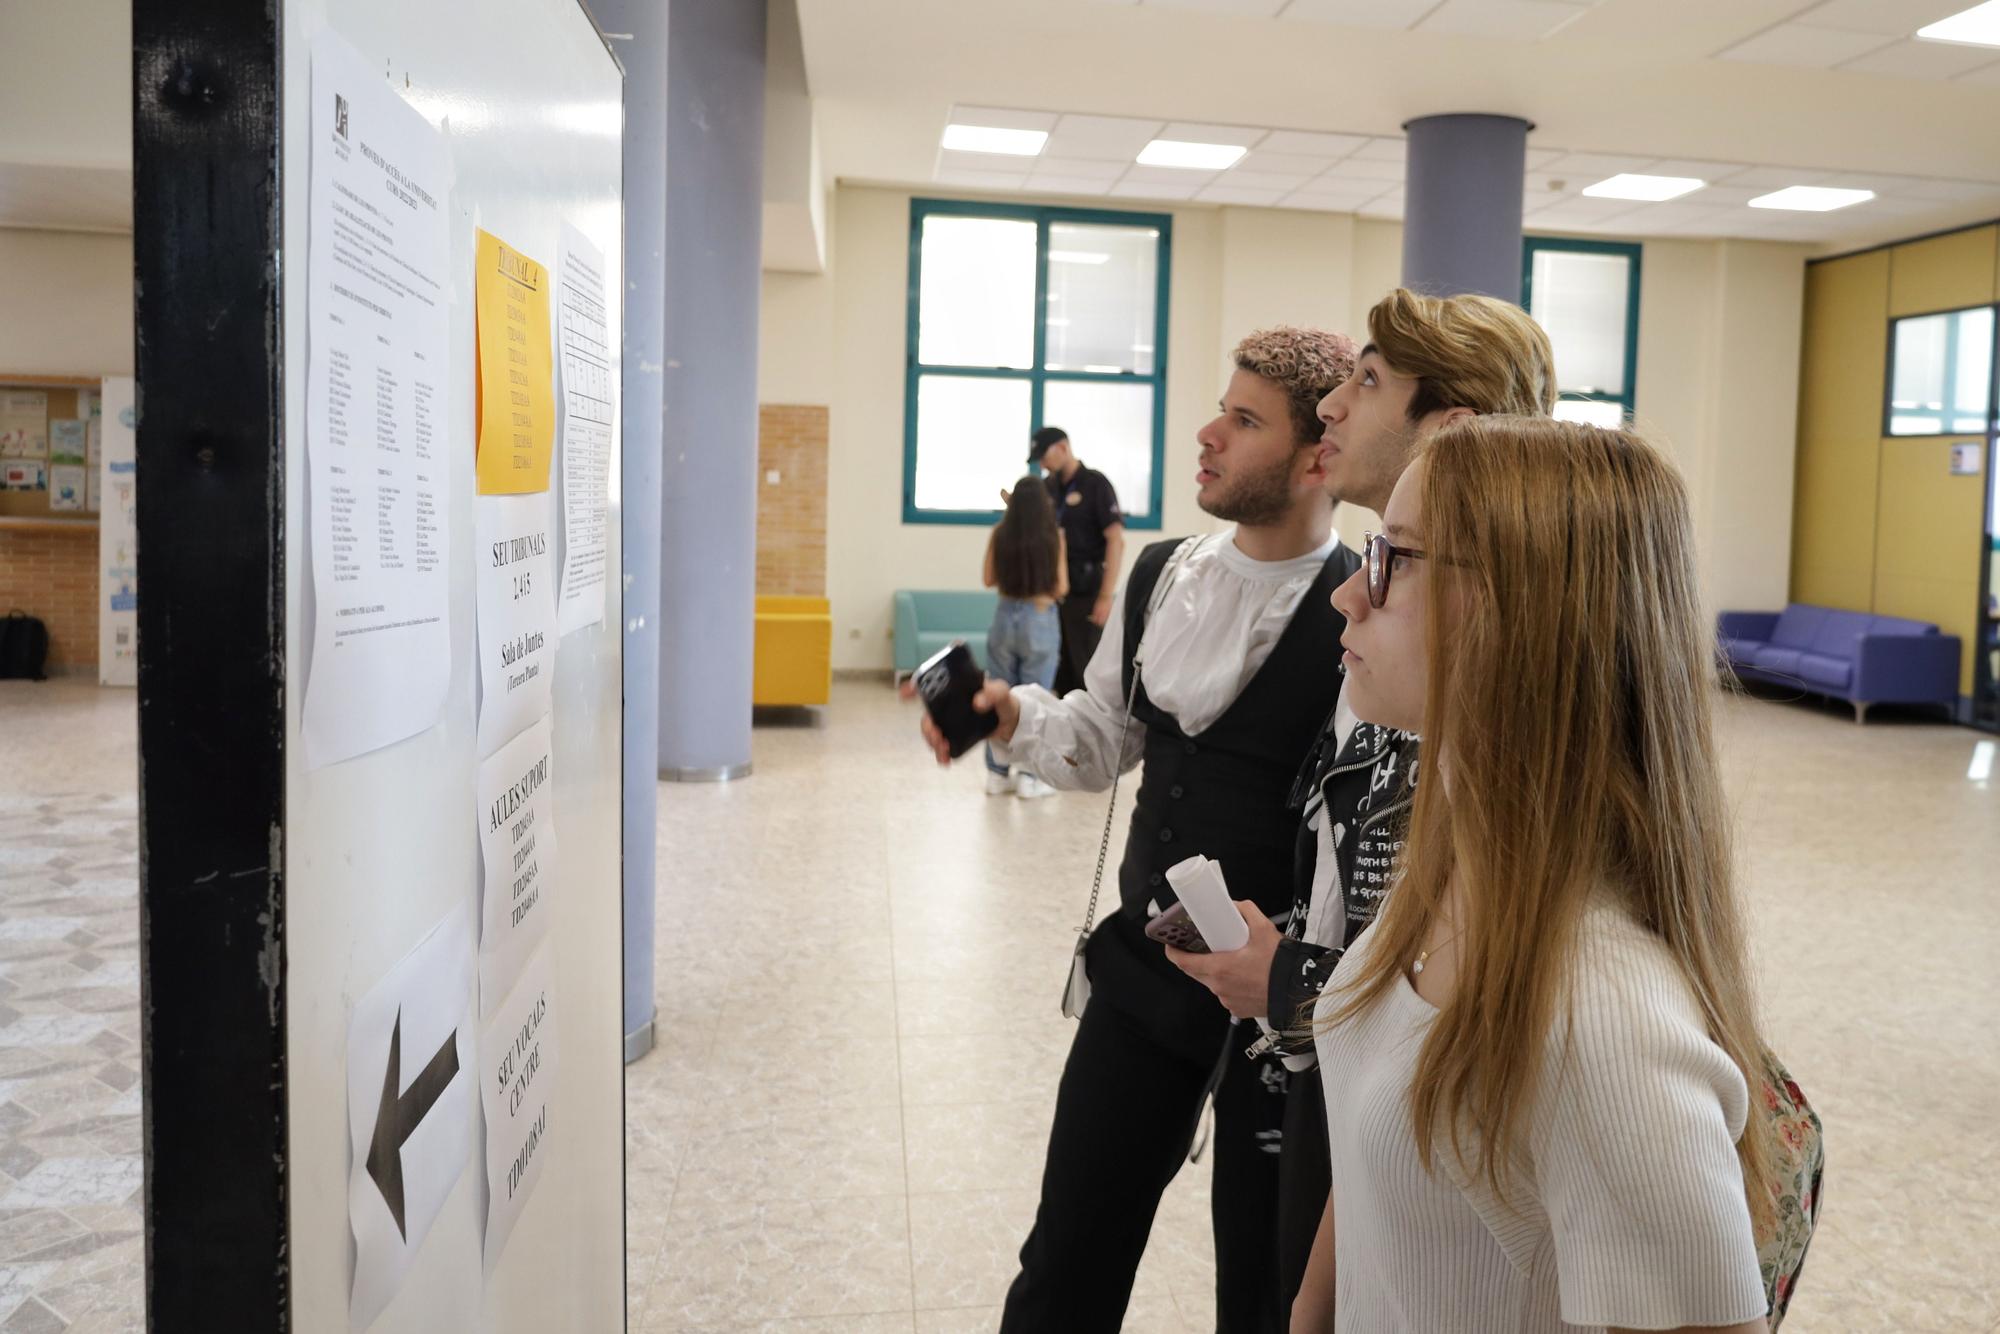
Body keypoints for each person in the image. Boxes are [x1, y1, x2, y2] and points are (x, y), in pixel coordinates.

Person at [913, 328, 1360, 1333]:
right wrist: (1006, 712)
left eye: (1244, 420)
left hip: (1281, 1011)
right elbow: (1101, 738)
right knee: (1070, 1246)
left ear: (1315, 455)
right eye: (1220, 406)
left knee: (1266, 1281)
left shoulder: (1364, 609)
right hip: (1145, 974)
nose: (1206, 434)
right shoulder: (1164, 576)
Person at [1292, 416, 1776, 1334]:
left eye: (1393, 558)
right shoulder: (1453, 875)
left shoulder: (1603, 1025)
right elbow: (1381, 1140)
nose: (1350, 594)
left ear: (1528, 609)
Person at [1165, 288, 1557, 1312]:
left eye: (1368, 381)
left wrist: (1292, 979)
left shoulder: (1494, 711)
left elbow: (1476, 1002)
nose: (1332, 405)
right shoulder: (1377, 646)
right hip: (1310, 1084)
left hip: (1384, 1123)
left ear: (1452, 428)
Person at [980, 479, 1068, 798]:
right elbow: (1061, 587)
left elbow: (988, 578)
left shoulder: (1000, 533)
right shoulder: (1054, 537)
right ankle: (1030, 778)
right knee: (1034, 699)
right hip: (1040, 617)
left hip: (1004, 617)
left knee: (997, 697)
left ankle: (997, 773)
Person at [1029, 426, 1125, 696]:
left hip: (1087, 591)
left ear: (1062, 447)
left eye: (1044, 455)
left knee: (1086, 670)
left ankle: (1090, 736)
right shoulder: (1048, 488)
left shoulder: (1096, 485)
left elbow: (1116, 541)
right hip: (1055, 591)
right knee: (1059, 671)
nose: (1042, 464)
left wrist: (1106, 596)